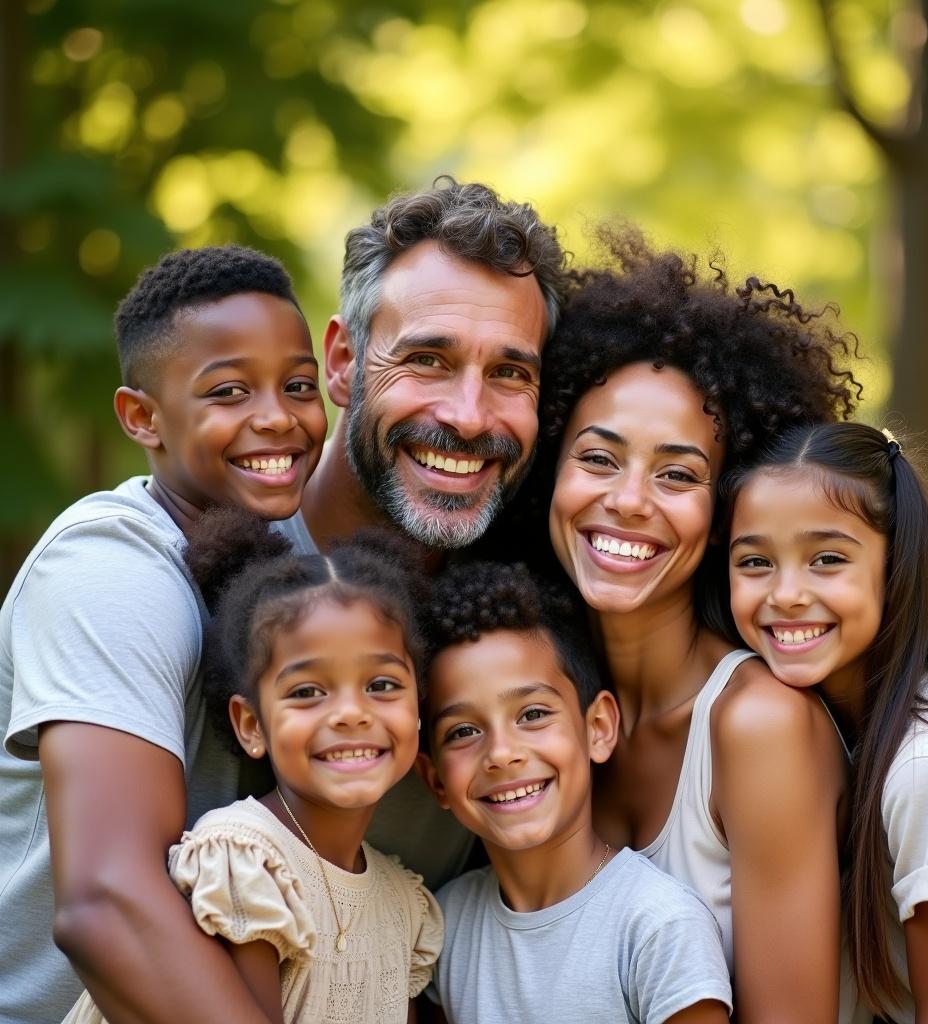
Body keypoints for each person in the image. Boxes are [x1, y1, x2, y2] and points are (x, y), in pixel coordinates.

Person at [538, 225, 865, 1021]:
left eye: (678, 474)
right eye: (598, 458)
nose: (629, 500)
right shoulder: (540, 707)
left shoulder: (758, 726)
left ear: (724, 517)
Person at [0, 245, 328, 1024]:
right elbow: (107, 906)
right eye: (229, 391)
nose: (278, 416)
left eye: (299, 386)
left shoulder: (293, 568)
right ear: (142, 417)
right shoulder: (106, 568)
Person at [276, 176, 570, 890]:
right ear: (343, 363)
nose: (469, 416)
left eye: (508, 373)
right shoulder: (168, 559)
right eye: (427, 360)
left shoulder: (516, 634)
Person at [62, 509, 443, 1024]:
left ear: (418, 704)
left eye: (381, 685)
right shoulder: (244, 863)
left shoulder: (404, 905)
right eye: (308, 692)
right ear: (251, 726)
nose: (352, 714)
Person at [725, 422, 928, 1024]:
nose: (785, 593)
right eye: (755, 561)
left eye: (827, 559)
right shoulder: (836, 723)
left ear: (896, 567)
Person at [418, 561, 732, 1024]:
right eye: (463, 731)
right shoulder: (448, 923)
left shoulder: (657, 927)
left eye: (532, 714)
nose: (502, 754)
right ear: (436, 780)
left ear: (598, 729)